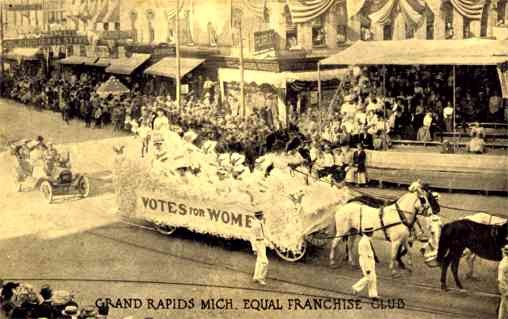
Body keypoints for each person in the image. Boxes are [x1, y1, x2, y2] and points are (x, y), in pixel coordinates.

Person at [352, 227, 378, 299]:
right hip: (365, 261)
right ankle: (355, 287)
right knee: (368, 277)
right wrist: (367, 268)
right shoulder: (363, 242)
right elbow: (364, 256)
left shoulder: (367, 240)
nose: (373, 233)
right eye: (372, 232)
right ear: (369, 233)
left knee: (373, 278)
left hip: (370, 261)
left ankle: (373, 295)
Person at [251, 210, 269, 286]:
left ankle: (255, 277)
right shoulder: (255, 225)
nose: (263, 216)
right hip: (258, 243)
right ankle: (260, 278)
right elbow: (252, 237)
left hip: (262, 243)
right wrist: (254, 248)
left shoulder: (261, 223)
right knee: (265, 262)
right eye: (262, 215)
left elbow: (265, 233)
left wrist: (269, 240)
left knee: (259, 261)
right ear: (259, 216)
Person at [498, 245, 508, 319]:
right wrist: (506, 292)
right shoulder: (504, 264)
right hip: (505, 289)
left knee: (503, 306)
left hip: (504, 288)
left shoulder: (505, 262)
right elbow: (500, 280)